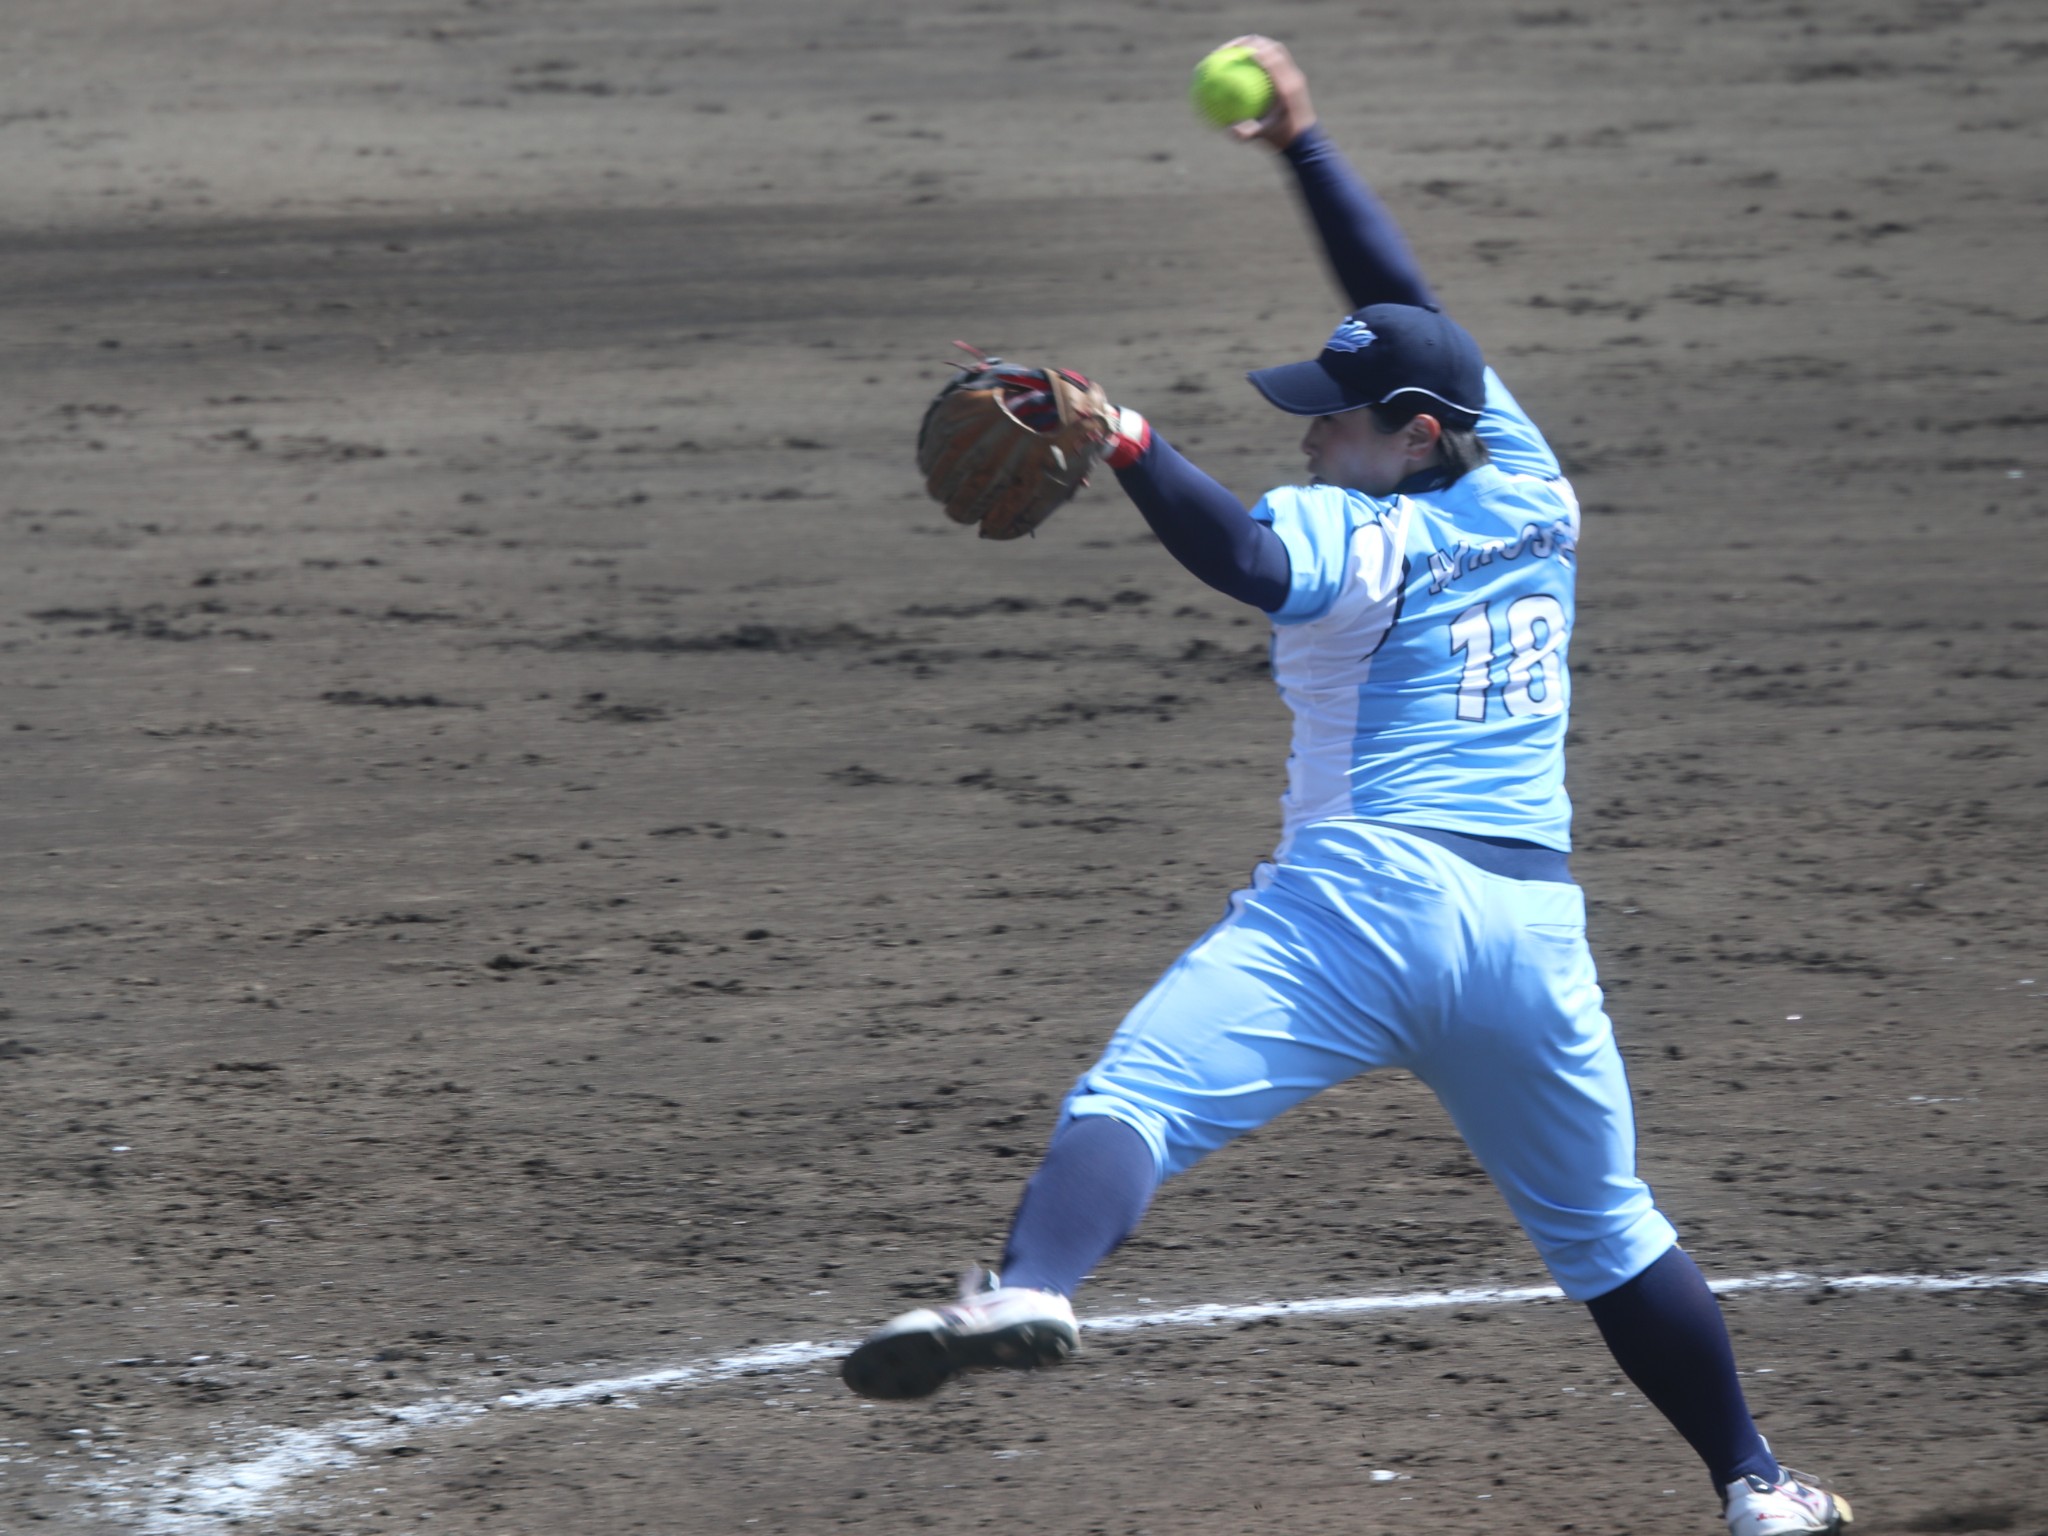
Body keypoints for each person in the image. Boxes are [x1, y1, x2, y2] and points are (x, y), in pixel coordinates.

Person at [843, 36, 1852, 1536]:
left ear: (1413, 439)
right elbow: (1414, 314)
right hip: (1528, 938)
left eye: (1335, 413)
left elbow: (1244, 558)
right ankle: (1759, 1490)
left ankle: (1032, 1287)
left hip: (1362, 909)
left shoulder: (1354, 536)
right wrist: (1303, 146)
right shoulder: (1528, 481)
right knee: (1609, 1233)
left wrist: (1127, 438)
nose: (1310, 428)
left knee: (1139, 1097)